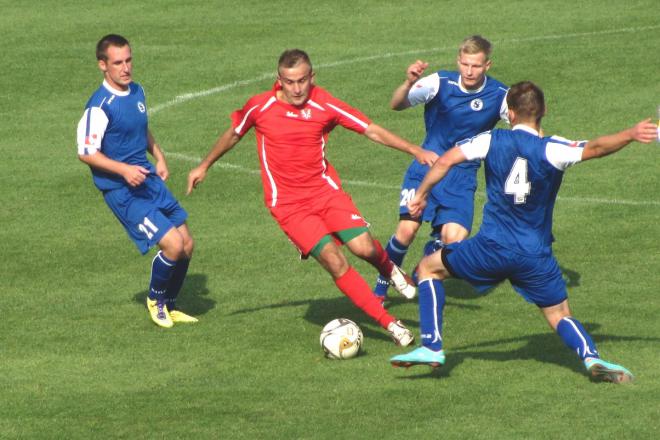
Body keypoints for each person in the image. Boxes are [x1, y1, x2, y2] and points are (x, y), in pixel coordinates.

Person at [389, 81, 659, 383]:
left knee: (427, 268)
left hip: (490, 248)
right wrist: (631, 134)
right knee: (559, 314)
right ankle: (591, 358)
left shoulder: (491, 140)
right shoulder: (554, 149)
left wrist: (422, 193)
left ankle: (431, 347)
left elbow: (447, 159)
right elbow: (596, 148)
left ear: (511, 114)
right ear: (542, 111)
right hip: (534, 255)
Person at [187, 49, 438, 346]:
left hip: (325, 193)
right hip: (289, 206)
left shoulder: (323, 102)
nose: (296, 89)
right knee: (335, 261)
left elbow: (369, 130)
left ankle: (388, 269)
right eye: (290, 82)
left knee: (364, 247)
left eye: (302, 81)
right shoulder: (260, 106)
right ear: (278, 80)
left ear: (312, 77)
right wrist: (204, 165)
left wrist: (414, 150)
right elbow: (233, 133)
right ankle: (391, 325)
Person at [374, 35, 509, 300]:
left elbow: (523, 125)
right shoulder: (439, 82)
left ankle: (422, 265)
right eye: (465, 64)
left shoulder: (500, 95)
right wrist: (409, 82)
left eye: (476, 66)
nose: (469, 71)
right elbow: (396, 104)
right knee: (406, 231)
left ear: (488, 66)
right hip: (426, 168)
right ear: (458, 60)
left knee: (454, 244)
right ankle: (380, 290)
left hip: (462, 176)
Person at [77, 34, 197, 328]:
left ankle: (170, 304)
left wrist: (160, 156)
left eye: (129, 60)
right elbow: (86, 153)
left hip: (147, 179)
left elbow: (142, 130)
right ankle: (155, 299)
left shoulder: (136, 91)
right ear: (102, 65)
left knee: (187, 244)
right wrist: (123, 170)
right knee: (171, 245)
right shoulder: (99, 107)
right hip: (122, 191)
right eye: (118, 62)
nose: (126, 67)